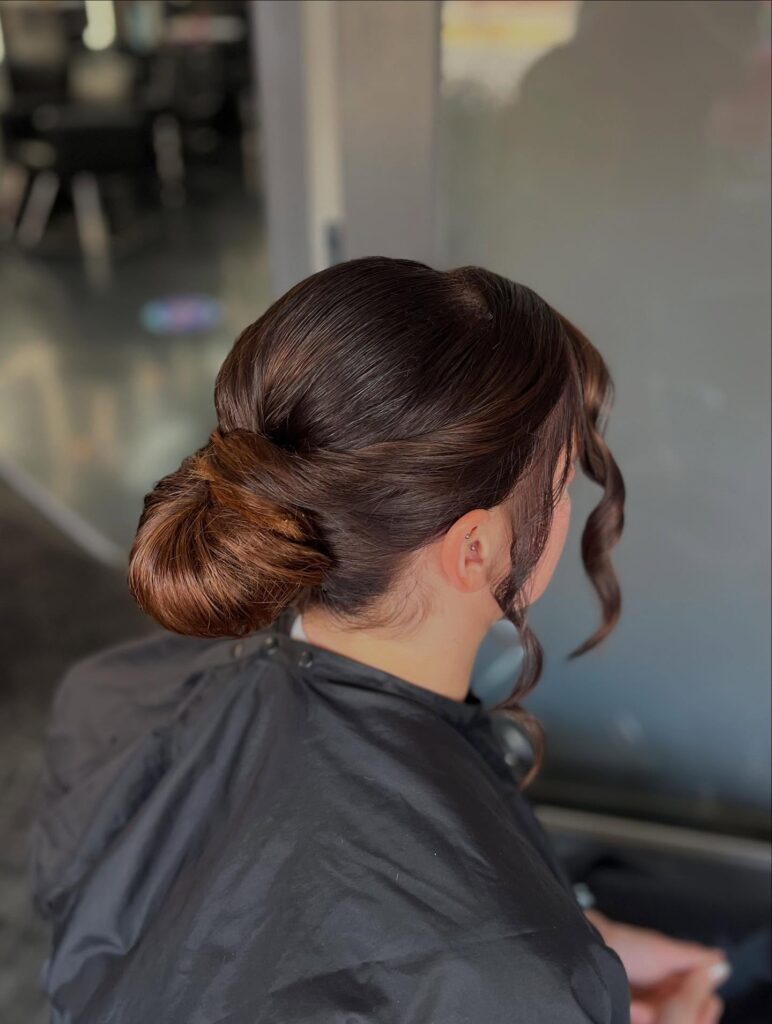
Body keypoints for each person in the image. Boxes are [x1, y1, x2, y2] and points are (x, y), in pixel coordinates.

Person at [31, 258, 729, 1023]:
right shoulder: (518, 984)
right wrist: (561, 979)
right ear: (476, 551)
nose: (567, 508)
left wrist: (582, 939)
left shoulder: (113, 692)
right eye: (562, 487)